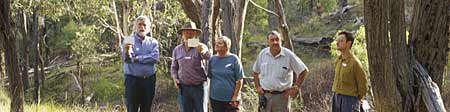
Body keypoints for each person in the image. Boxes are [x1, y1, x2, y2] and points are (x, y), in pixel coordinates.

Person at [252, 31, 309, 112]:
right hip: (265, 96)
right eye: (272, 40)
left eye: (277, 39)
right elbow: (255, 72)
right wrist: (257, 87)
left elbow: (304, 71)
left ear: (281, 41)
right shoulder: (263, 54)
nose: (275, 42)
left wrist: (295, 88)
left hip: (282, 97)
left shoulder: (288, 55)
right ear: (268, 42)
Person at [170, 22, 210, 112]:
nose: (189, 35)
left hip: (199, 87)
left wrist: (203, 52)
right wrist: (175, 78)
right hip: (183, 88)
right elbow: (174, 67)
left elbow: (209, 58)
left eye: (191, 32)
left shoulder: (200, 46)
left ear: (195, 34)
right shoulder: (177, 49)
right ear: (183, 34)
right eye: (186, 32)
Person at [122, 16, 159, 112]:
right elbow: (127, 59)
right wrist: (128, 51)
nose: (142, 27)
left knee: (146, 108)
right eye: (139, 24)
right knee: (132, 108)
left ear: (149, 28)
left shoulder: (153, 42)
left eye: (144, 25)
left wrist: (138, 58)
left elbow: (154, 58)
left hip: (149, 80)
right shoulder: (129, 40)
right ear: (135, 26)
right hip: (132, 81)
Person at [331, 31, 368, 112]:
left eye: (341, 41)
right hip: (336, 97)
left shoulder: (355, 63)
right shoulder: (338, 60)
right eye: (337, 41)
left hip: (349, 100)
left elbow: (363, 86)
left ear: (348, 43)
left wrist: (355, 100)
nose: (337, 43)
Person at [208, 36, 244, 112]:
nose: (216, 45)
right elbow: (210, 77)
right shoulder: (212, 59)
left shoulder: (234, 59)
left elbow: (239, 80)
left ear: (227, 46)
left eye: (220, 43)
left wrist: (235, 96)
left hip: (231, 99)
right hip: (215, 98)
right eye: (216, 43)